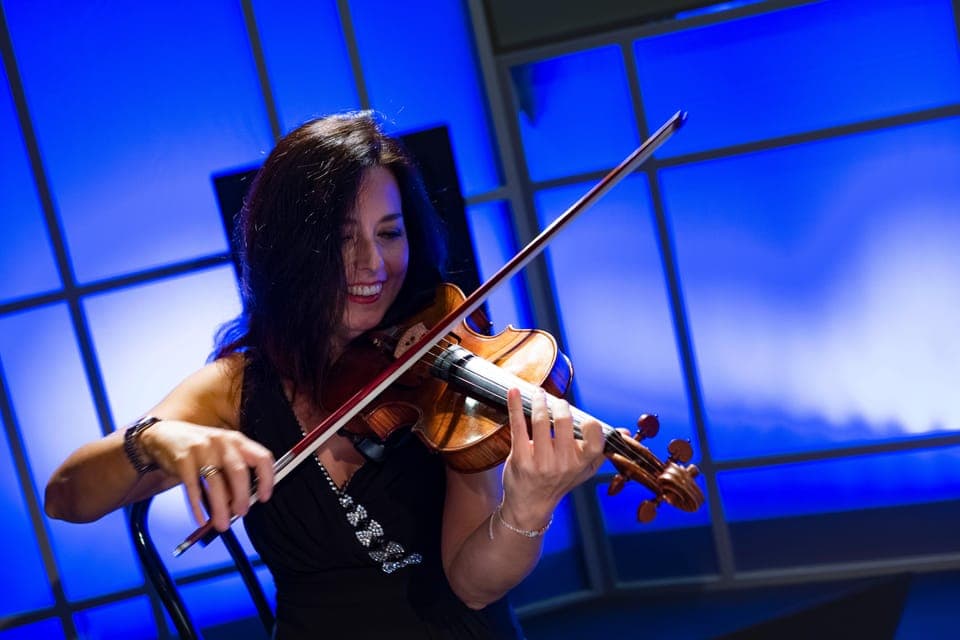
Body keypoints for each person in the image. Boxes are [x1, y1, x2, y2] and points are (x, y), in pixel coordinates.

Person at [44, 111, 606, 639]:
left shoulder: (440, 357)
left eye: (389, 233)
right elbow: (67, 497)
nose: (373, 265)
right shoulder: (237, 385)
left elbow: (474, 587)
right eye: (342, 238)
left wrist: (527, 506)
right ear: (288, 251)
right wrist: (158, 438)